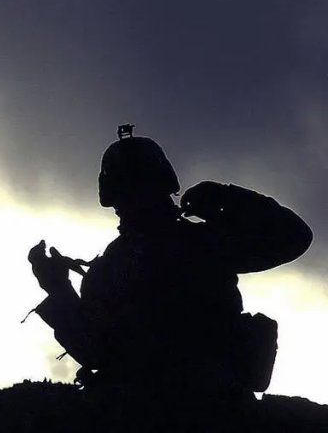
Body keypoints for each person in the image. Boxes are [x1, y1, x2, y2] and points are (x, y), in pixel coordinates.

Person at [28, 125, 312, 426]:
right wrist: (58, 289)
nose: (130, 204)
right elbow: (96, 352)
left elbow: (293, 236)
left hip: (200, 408)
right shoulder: (202, 244)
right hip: (192, 410)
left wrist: (58, 289)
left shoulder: (193, 247)